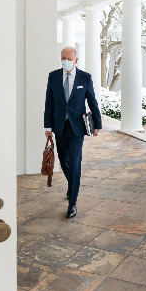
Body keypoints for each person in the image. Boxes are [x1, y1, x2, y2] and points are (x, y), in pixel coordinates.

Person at [44, 46, 102, 219]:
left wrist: (97, 124)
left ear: (75, 60)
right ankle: (73, 185)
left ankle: (72, 204)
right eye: (63, 57)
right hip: (60, 126)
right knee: (63, 160)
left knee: (75, 163)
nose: (66, 61)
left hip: (77, 128)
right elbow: (49, 103)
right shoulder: (53, 76)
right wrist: (48, 128)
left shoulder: (85, 77)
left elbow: (93, 101)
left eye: (69, 58)